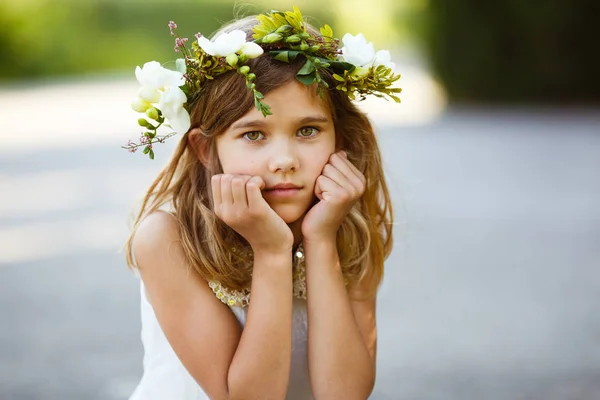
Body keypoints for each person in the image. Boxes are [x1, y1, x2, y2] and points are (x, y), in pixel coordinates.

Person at [124, 6, 399, 400]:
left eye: (307, 130)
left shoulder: (347, 224)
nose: (284, 160)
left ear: (339, 139)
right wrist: (272, 253)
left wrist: (321, 241)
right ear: (204, 148)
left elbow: (345, 394)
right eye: (254, 134)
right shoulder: (166, 239)